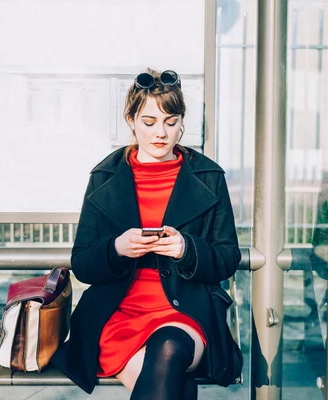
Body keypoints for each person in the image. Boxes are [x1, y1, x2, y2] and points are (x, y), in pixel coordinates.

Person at [51, 68, 243, 400]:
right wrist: (117, 248)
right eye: (149, 122)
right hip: (118, 313)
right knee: (174, 384)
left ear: (182, 121)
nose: (161, 133)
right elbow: (82, 262)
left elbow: (227, 258)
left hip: (185, 312)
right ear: (131, 120)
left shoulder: (209, 176)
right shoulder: (105, 176)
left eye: (170, 122)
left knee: (168, 348)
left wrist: (187, 249)